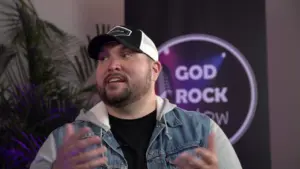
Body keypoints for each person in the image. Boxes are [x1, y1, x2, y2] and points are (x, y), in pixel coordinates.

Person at [30, 25, 242, 169]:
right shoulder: (64, 141)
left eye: (126, 54)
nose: (112, 65)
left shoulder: (202, 132)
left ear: (155, 69)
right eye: (104, 58)